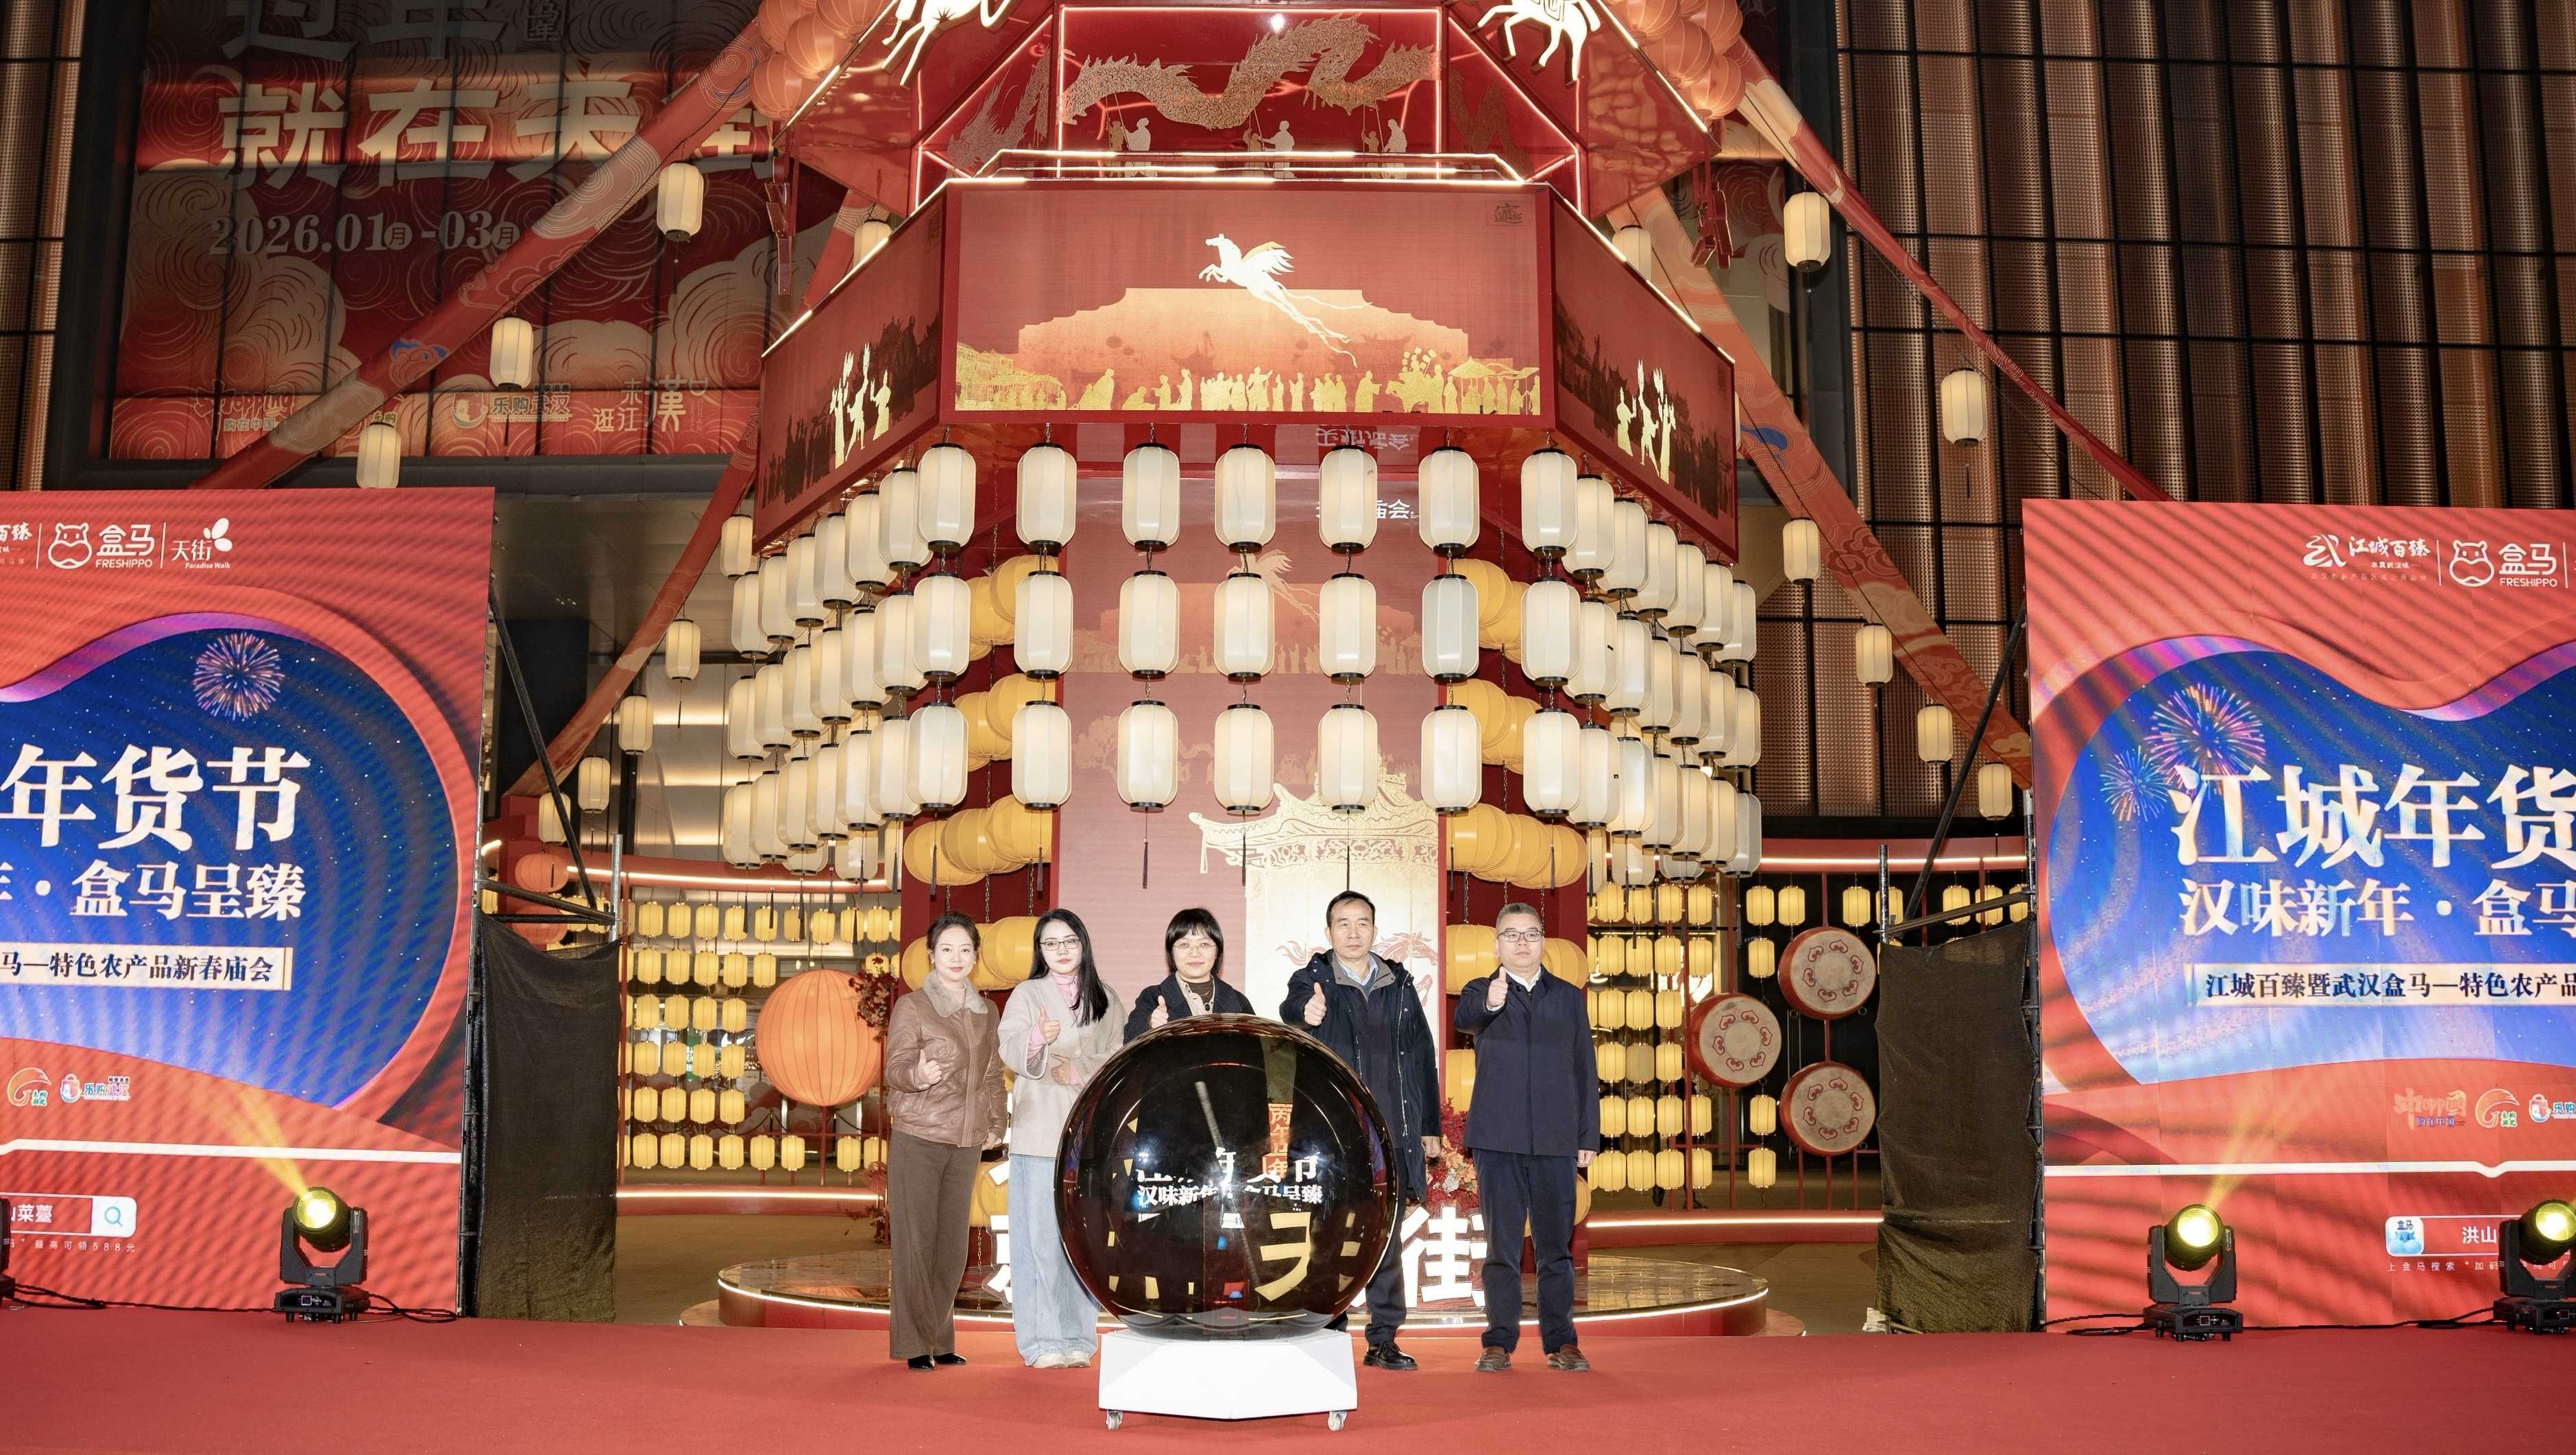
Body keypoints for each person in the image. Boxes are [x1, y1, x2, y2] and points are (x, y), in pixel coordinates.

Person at [1280, 889, 1439, 1370]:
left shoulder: (1400, 984)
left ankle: (1384, 1338)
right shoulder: (1312, 980)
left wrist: (1428, 1126)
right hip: (1336, 1132)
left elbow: (1422, 1055)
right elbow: (1292, 1009)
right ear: (1328, 932)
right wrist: (1305, 1014)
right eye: (1343, 924)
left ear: (1374, 930)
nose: (1353, 933)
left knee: (1385, 1238)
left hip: (1392, 1131)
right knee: (1329, 1233)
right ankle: (1329, 1331)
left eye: (1362, 923)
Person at [1451, 902, 1598, 1373]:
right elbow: (1465, 1020)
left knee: (1556, 1250)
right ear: (1497, 945)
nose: (1521, 943)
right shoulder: (1481, 991)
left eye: (1531, 934)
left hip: (1556, 1140)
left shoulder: (1568, 997)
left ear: (1543, 942)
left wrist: (1587, 1135)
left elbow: (1584, 1067)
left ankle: (1562, 1341)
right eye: (1511, 935)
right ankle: (1498, 1341)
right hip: (1499, 1139)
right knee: (1502, 1250)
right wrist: (1493, 1003)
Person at [880, 913, 1008, 1371]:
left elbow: (992, 1073)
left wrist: (997, 1121)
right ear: (932, 956)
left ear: (976, 957)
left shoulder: (986, 1012)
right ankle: (915, 1344)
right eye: (947, 949)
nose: (957, 958)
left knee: (952, 1250)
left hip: (965, 1142)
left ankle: (939, 1338)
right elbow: (894, 1068)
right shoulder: (913, 1007)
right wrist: (916, 1076)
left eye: (965, 950)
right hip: (919, 1136)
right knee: (916, 1244)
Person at [995, 909, 1122, 1369]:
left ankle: (1077, 1336)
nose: (1061, 950)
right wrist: (1036, 1038)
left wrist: (1079, 1069)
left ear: (1083, 944)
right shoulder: (1027, 994)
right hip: (1039, 1131)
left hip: (1087, 1132)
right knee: (1040, 1239)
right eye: (1050, 944)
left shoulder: (1105, 997)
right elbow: (1009, 1047)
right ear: (1040, 951)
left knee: (1081, 1239)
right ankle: (1041, 1340)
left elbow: (1118, 1056)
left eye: (1069, 941)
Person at [1124, 907, 1255, 1038]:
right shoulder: (1152, 998)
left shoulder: (1238, 1002)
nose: (1195, 953)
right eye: (1184, 945)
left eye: (1204, 944)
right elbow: (1129, 1042)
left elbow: (1256, 1049)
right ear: (1172, 953)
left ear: (1217, 952)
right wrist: (1150, 1026)